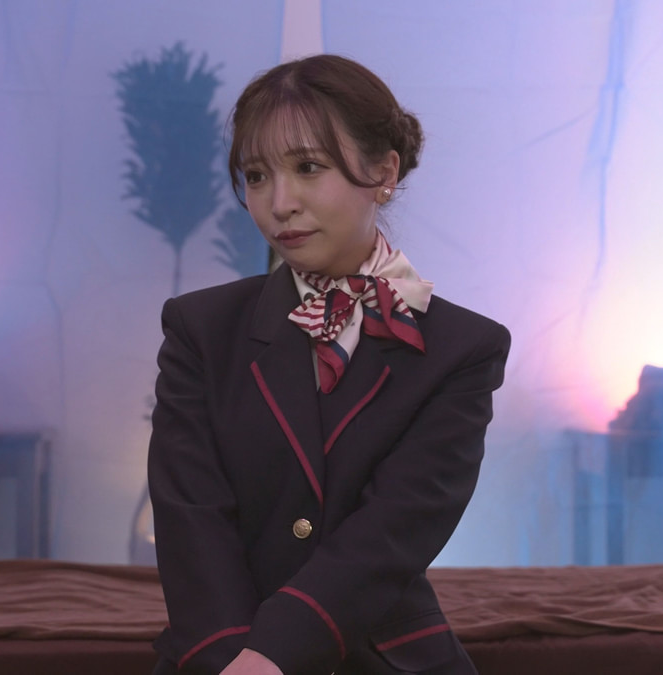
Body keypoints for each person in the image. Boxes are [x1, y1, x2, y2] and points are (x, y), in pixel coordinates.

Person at [148, 54, 510, 675]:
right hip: (222, 654)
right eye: (256, 176)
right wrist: (238, 661)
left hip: (380, 655)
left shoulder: (463, 347)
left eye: (308, 168)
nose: (279, 202)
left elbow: (395, 531)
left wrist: (274, 655)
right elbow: (191, 522)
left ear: (384, 173)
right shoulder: (200, 329)